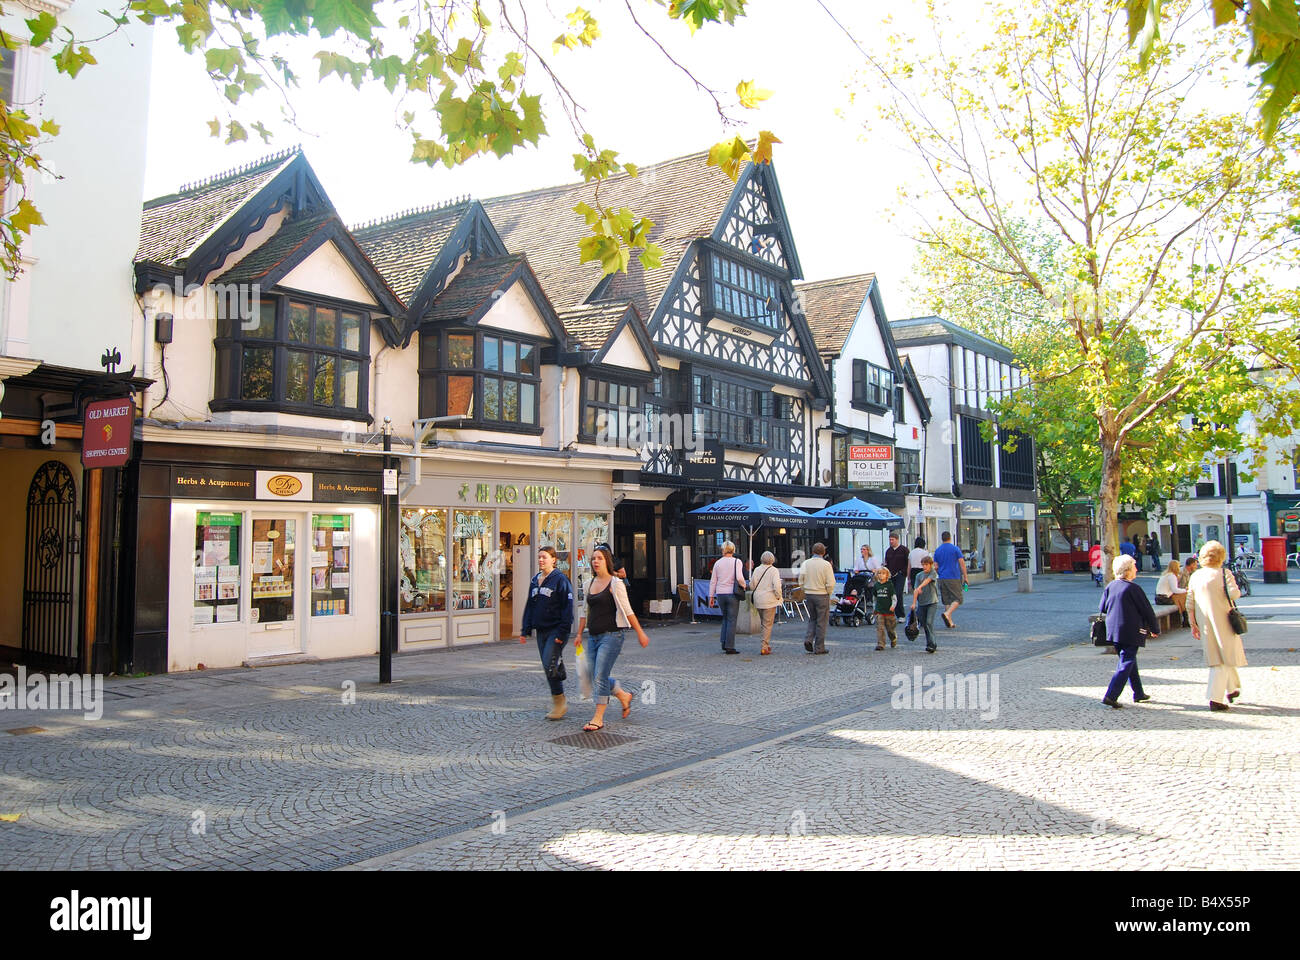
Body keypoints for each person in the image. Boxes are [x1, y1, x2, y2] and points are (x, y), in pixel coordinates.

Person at [574, 546, 649, 732]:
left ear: (607, 561)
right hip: (593, 636)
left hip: (613, 635)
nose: (595, 561)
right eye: (593, 559)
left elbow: (628, 610)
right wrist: (578, 634)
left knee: (599, 676)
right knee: (593, 675)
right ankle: (623, 696)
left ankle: (598, 718)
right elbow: (585, 611)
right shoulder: (588, 584)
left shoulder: (616, 584)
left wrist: (640, 632)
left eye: (599, 558)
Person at [1186, 540, 1247, 711]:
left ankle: (1233, 688)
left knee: (1220, 655)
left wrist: (1193, 624)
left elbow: (1189, 602)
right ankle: (1215, 698)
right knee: (1222, 659)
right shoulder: (1223, 573)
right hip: (1224, 620)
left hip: (1204, 621)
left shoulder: (1196, 576)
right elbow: (1235, 593)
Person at [519, 546, 575, 721]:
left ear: (553, 559)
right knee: (547, 664)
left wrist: (563, 631)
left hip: (556, 629)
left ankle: (560, 702)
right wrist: (525, 628)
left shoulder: (561, 580)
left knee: (548, 662)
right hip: (541, 630)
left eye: (544, 557)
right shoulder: (535, 580)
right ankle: (558, 697)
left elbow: (568, 608)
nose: (541, 560)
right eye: (539, 557)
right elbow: (531, 604)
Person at [1098, 554, 1159, 708]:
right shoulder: (1133, 588)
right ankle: (1111, 695)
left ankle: (1138, 692)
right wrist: (1155, 628)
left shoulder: (1111, 586)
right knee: (1126, 662)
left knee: (1129, 659)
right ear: (1128, 570)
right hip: (1131, 630)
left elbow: (1102, 607)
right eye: (1134, 567)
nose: (1136, 569)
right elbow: (1147, 610)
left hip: (1114, 631)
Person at [708, 540, 746, 655]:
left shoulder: (718, 563)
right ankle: (730, 646)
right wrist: (744, 585)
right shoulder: (737, 562)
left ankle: (724, 642)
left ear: (723, 550)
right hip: (732, 593)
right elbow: (739, 577)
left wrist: (711, 596)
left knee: (725, 618)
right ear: (733, 549)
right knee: (732, 620)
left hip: (720, 593)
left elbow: (713, 581)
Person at [799, 542, 836, 655]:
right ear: (823, 552)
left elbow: (801, 580)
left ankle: (808, 639)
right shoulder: (826, 565)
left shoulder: (806, 563)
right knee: (822, 621)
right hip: (822, 594)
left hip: (809, 594)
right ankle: (819, 647)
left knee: (812, 619)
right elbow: (831, 582)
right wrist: (828, 593)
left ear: (812, 551)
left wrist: (805, 590)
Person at [932, 531, 968, 629]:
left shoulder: (938, 550)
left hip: (942, 577)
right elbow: (962, 563)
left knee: (947, 600)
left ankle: (950, 621)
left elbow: (935, 566)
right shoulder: (955, 549)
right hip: (953, 577)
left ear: (942, 538)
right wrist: (965, 577)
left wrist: (940, 573)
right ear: (950, 538)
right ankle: (947, 613)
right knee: (958, 599)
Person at [749, 550, 783, 655]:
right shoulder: (774, 570)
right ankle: (764, 645)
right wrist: (779, 596)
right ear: (772, 559)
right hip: (769, 600)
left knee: (763, 623)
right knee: (767, 624)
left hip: (758, 599)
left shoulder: (757, 569)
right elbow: (777, 586)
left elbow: (752, 585)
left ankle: (766, 644)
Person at [910, 555, 940, 654]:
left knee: (929, 622)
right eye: (923, 565)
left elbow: (928, 581)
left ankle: (933, 644)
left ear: (931, 565)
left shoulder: (933, 573)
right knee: (924, 624)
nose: (924, 567)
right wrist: (914, 603)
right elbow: (915, 590)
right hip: (922, 603)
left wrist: (920, 587)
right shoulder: (919, 575)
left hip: (932, 602)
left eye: (926, 565)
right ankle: (929, 643)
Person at [1154, 559, 1189, 628]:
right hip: (1164, 599)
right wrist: (1186, 590)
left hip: (1159, 598)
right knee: (1183, 598)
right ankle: (1185, 620)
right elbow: (1175, 590)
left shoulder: (1165, 574)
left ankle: (1185, 620)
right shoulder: (1171, 576)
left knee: (1181, 597)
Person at [884, 531, 910, 619]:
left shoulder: (904, 550)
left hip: (900, 575)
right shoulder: (888, 551)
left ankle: (901, 614)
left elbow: (908, 563)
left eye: (893, 540)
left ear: (897, 540)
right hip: (890, 575)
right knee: (891, 594)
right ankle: (891, 613)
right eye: (890, 540)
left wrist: (903, 572)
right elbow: (887, 563)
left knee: (898, 593)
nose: (891, 541)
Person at [871, 567, 898, 651]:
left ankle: (893, 638)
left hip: (889, 611)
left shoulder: (889, 585)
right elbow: (874, 598)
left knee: (890, 629)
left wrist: (893, 605)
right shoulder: (876, 585)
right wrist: (874, 607)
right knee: (880, 627)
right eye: (879, 573)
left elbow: (894, 597)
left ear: (887, 575)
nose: (881, 575)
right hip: (880, 610)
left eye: (883, 573)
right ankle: (881, 644)